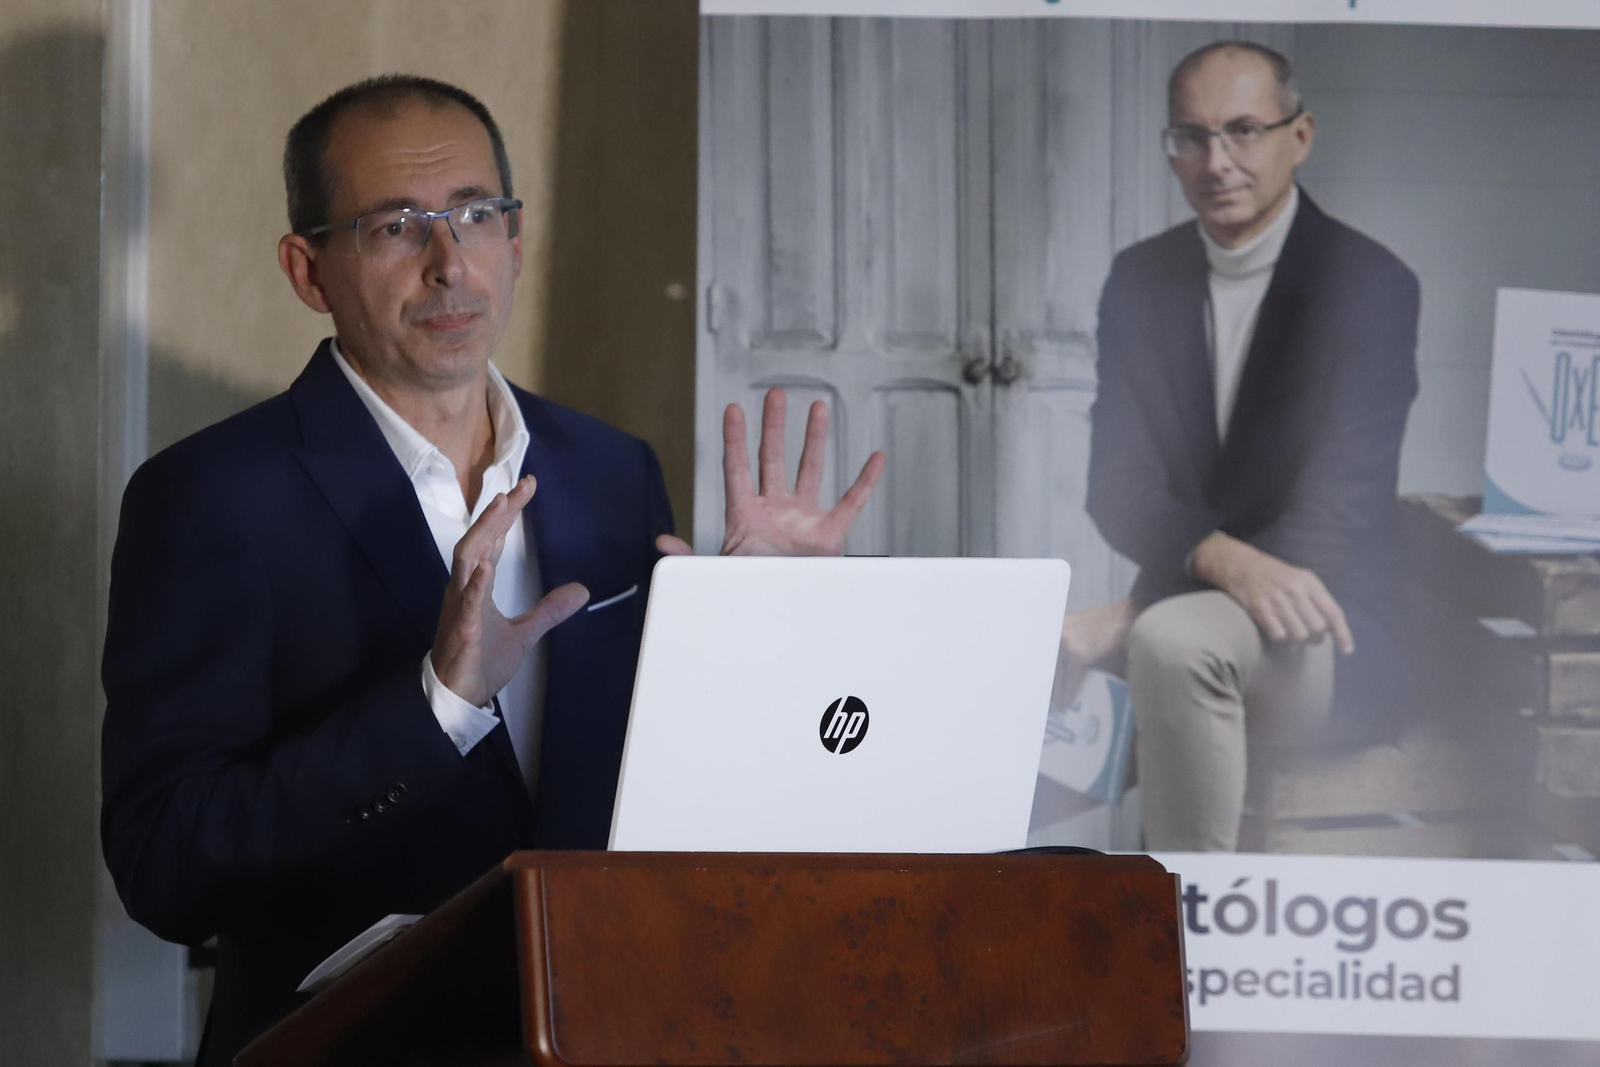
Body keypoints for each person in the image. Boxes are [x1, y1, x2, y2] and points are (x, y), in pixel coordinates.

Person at [99, 75, 884, 1066]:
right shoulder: (211, 496)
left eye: (476, 215)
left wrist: (758, 646)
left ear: (515, 243)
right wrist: (435, 708)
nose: (448, 263)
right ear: (309, 270)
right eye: (393, 227)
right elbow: (166, 867)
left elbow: (658, 801)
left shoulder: (611, 471)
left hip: (617, 1031)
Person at [1070, 42, 1420, 852]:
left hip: (1325, 624)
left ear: (1299, 136)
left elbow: (1342, 509)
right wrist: (1218, 561)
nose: (1216, 161)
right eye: (1190, 137)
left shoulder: (1368, 284)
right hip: (1182, 610)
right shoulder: (1141, 280)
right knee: (1016, 724)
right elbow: (1116, 487)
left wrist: (1135, 612)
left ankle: (1190, 933)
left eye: (1242, 131)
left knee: (1170, 642)